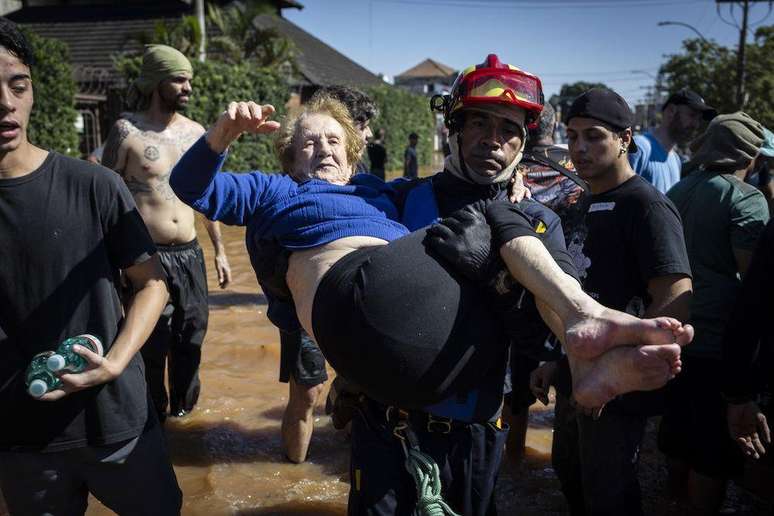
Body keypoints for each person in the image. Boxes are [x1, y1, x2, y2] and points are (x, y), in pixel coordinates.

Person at [0, 18, 181, 514]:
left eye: (18, 86)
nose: (5, 103)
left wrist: (117, 363)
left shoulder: (94, 185)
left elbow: (152, 285)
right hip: (20, 439)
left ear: (32, 90)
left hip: (118, 424)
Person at [539, 88, 693, 516]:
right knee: (569, 474)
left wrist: (620, 370)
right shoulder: (584, 201)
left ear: (625, 139)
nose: (579, 148)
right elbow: (581, 290)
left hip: (616, 386)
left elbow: (675, 300)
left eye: (593, 136)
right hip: (576, 372)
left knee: (609, 494)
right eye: (572, 136)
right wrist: (555, 359)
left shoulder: (647, 207)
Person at [101, 44, 232, 422]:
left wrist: (220, 250)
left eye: (189, 79)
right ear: (157, 82)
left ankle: (186, 417)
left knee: (192, 337)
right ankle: (152, 416)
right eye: (178, 79)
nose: (187, 87)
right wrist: (114, 261)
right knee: (152, 342)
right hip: (147, 257)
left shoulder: (198, 134)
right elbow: (108, 197)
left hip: (190, 254)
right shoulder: (127, 131)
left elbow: (209, 197)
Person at [662, 111, 770, 515]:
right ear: (749, 155)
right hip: (720, 342)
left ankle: (671, 501)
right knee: (712, 453)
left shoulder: (677, 189)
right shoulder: (745, 198)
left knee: (677, 438)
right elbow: (755, 279)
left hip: (675, 333)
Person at [504, 101, 587, 467]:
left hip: (521, 290)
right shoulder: (577, 167)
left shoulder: (511, 169)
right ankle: (563, 464)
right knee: (570, 387)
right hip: (571, 289)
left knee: (515, 391)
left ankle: (514, 460)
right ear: (555, 128)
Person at [629, 89, 716, 193]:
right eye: (692, 115)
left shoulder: (675, 159)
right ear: (671, 111)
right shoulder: (639, 148)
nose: (696, 125)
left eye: (699, 119)